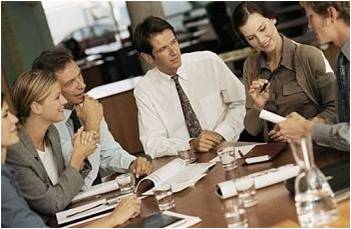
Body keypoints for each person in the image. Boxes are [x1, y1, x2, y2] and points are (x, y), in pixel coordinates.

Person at [1, 93, 141, 227]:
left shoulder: (51, 134)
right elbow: (54, 203)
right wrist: (113, 219)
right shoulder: (12, 162)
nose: (14, 119)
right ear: (36, 107)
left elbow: (68, 189)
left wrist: (80, 154)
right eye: (5, 115)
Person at [32, 48, 152, 190]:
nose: (82, 85)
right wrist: (92, 126)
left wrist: (132, 163)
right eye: (70, 83)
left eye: (79, 75)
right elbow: (82, 181)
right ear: (50, 90)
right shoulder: (49, 125)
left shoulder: (87, 105)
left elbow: (108, 153)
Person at [133, 16, 246, 158]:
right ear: (148, 57)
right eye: (163, 49)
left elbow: (242, 102)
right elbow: (152, 143)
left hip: (230, 149)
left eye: (174, 42)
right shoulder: (145, 90)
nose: (174, 52)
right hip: (185, 162)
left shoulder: (208, 61)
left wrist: (221, 134)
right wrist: (190, 144)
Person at [231, 2, 337, 142]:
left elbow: (336, 109)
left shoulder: (309, 55)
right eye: (251, 38)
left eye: (262, 29)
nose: (261, 40)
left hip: (314, 146)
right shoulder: (251, 66)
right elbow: (252, 128)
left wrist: (303, 128)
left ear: (272, 19)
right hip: (275, 152)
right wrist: (258, 106)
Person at [277, 1, 349, 151]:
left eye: (311, 17)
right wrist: (313, 124)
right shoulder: (342, 58)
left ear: (330, 14)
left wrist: (307, 129)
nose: (309, 25)